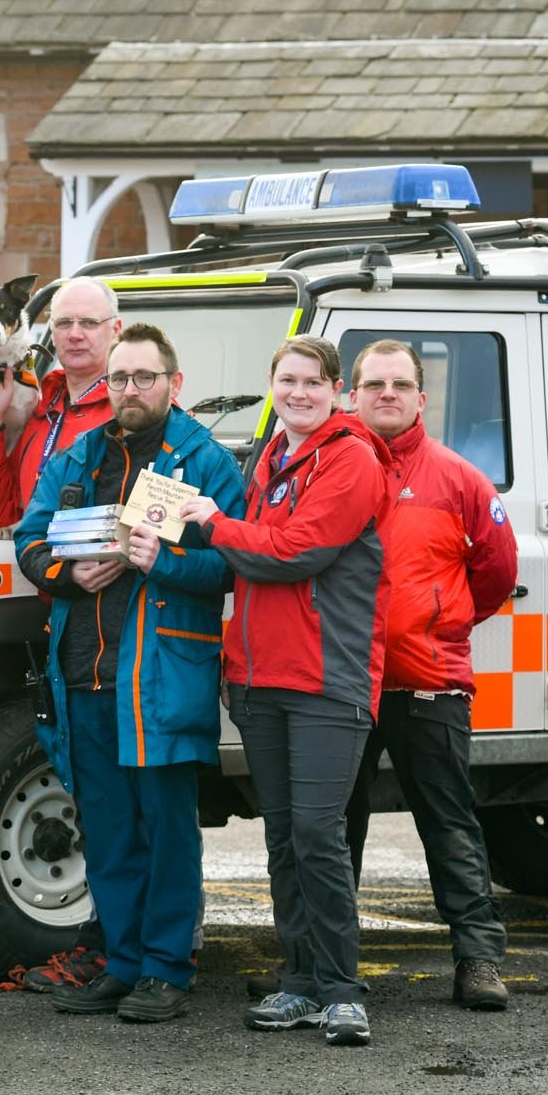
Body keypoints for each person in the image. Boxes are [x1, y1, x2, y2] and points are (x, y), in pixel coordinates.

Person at [13, 325, 245, 1023]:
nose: (129, 390)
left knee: (167, 829)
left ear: (173, 384)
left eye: (144, 377)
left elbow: (232, 566)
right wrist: (68, 571)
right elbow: (30, 538)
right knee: (108, 830)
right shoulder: (79, 456)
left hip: (162, 677)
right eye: (119, 379)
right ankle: (122, 963)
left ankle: (168, 970)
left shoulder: (205, 461)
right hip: (84, 674)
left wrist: (160, 560)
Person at [178, 334, 391, 1047]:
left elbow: (299, 551)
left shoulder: (352, 459)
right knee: (283, 838)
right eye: (286, 380)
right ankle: (299, 983)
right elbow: (257, 547)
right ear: (273, 386)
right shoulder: (271, 457)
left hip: (328, 680)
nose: (297, 393)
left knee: (316, 835)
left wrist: (210, 526)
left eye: (311, 382)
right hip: (261, 677)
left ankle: (341, 992)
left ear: (337, 391)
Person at [344, 339, 518, 1012]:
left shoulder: (461, 479)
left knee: (449, 824)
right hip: (344, 685)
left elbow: (497, 572)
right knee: (333, 832)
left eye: (400, 384)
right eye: (373, 384)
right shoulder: (332, 469)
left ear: (421, 397)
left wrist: (442, 623)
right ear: (352, 396)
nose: (386, 394)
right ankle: (322, 964)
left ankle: (478, 959)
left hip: (428, 682)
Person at [0, 274, 121, 991]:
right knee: (86, 785)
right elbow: (4, 506)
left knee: (134, 797)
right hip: (57, 622)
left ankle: (148, 954)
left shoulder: (126, 405)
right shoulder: (46, 402)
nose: (74, 335)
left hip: (114, 628)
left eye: (89, 322)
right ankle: (102, 949)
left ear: (115, 331)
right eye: (63, 322)